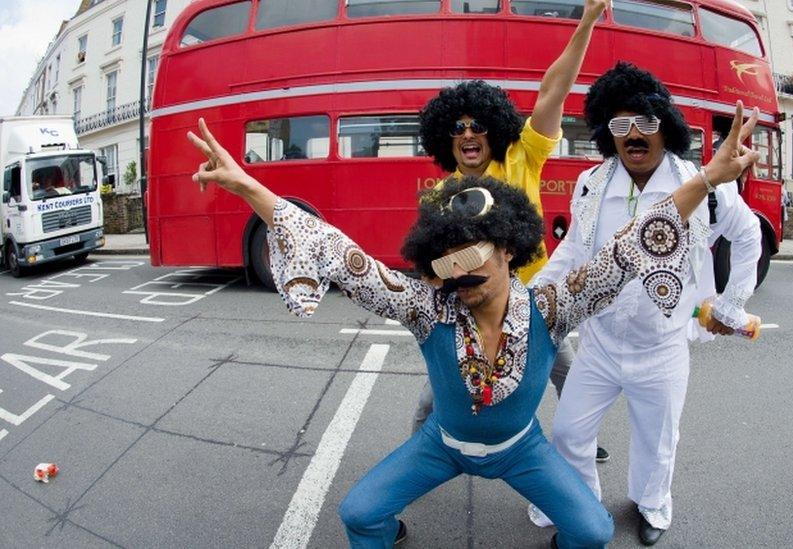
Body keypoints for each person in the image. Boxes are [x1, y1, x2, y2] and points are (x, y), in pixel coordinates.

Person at [186, 102, 758, 547]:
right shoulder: (426, 306)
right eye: (448, 254)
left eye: (476, 249)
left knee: (593, 533)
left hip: (520, 449)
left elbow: (631, 246)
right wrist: (246, 186)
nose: (461, 267)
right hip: (442, 445)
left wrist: (706, 179)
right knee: (359, 513)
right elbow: (339, 255)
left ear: (509, 250)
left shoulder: (551, 306)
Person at [529, 62, 762, 546]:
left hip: (663, 349)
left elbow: (749, 236)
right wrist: (533, 303)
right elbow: (572, 250)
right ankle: (583, 509)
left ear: (666, 126)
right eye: (619, 125)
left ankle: (652, 506)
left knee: (658, 444)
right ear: (605, 132)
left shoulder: (705, 185)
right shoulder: (592, 183)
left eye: (646, 123)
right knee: (570, 433)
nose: (633, 134)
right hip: (599, 345)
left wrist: (730, 306)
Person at [413, 0, 610, 461]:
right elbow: (431, 270)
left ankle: (582, 443)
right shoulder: (438, 195)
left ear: (492, 130)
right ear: (447, 137)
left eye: (478, 125)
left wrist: (586, 22)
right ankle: (418, 459)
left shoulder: (520, 157)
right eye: (457, 128)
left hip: (532, 299)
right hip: (469, 309)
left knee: (567, 374)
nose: (467, 134)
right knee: (429, 401)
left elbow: (552, 92)